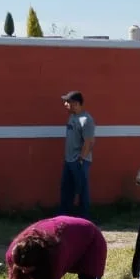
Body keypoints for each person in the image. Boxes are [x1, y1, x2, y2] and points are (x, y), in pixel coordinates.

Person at [59, 90, 95, 218]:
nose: (65, 104)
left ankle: (84, 218)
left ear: (76, 103)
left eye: (67, 102)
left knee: (82, 190)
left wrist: (81, 159)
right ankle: (64, 216)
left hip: (79, 161)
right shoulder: (72, 117)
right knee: (66, 188)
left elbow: (89, 142)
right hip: (69, 160)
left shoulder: (86, 120)